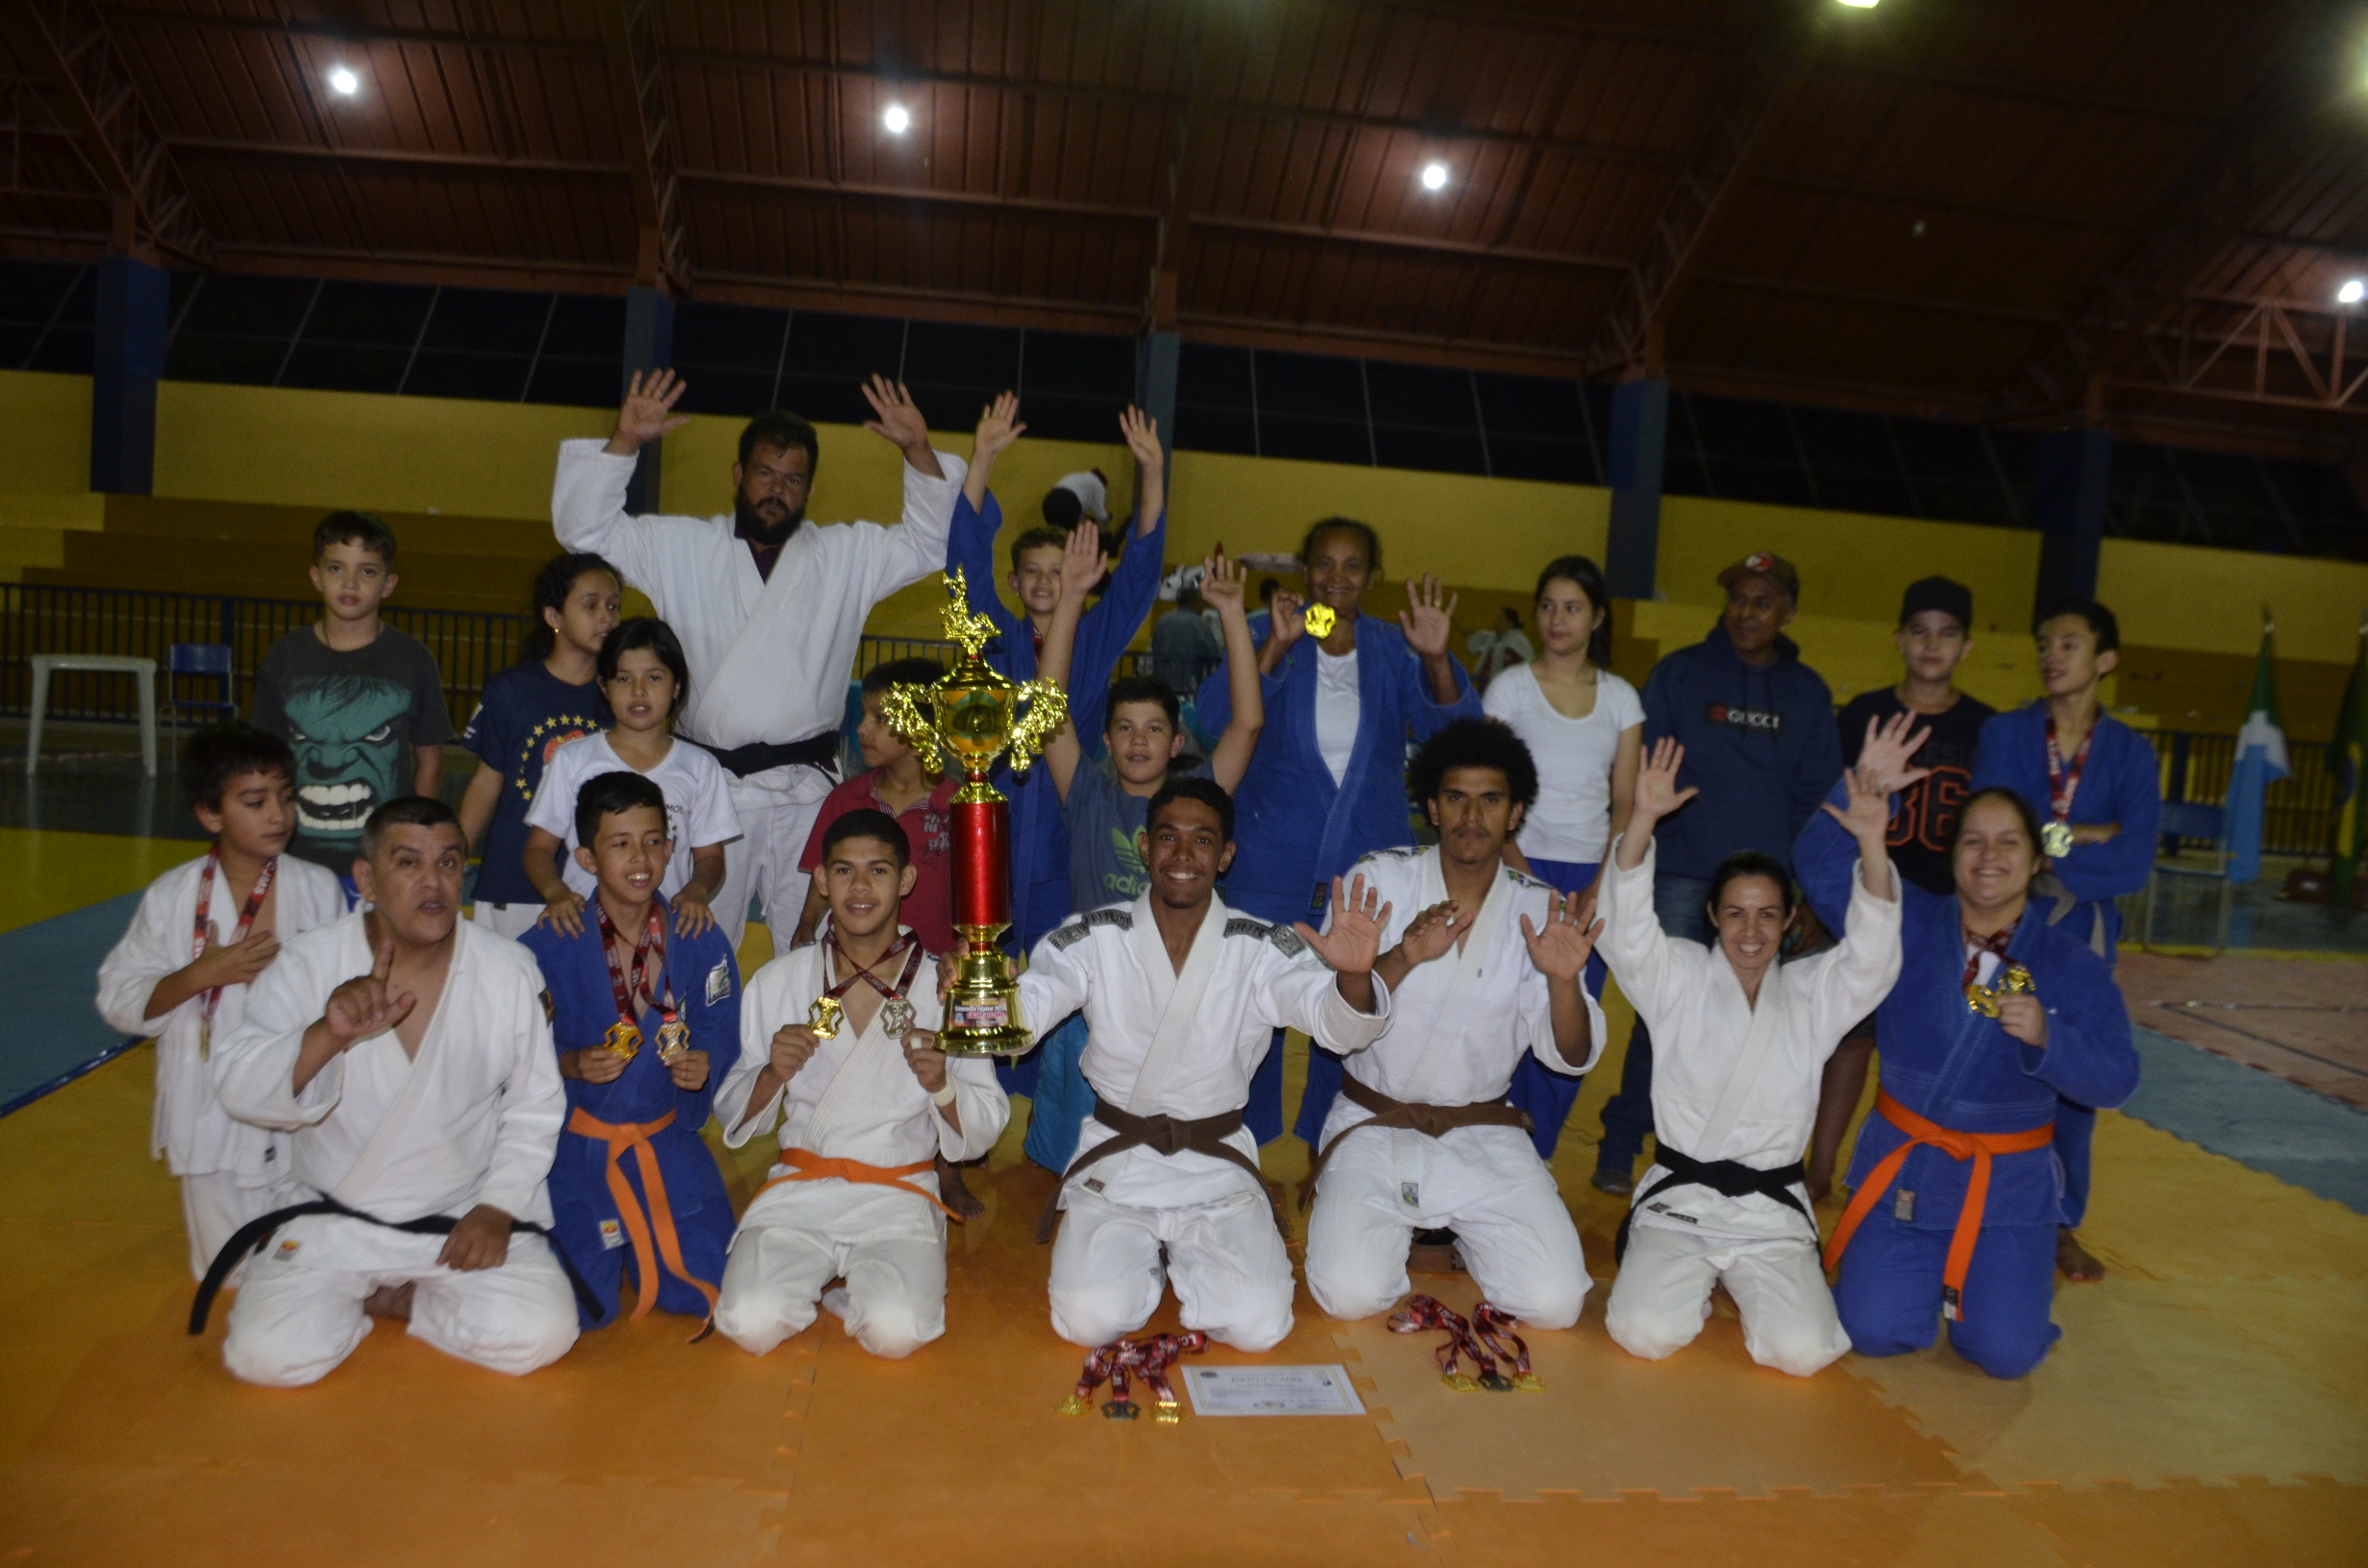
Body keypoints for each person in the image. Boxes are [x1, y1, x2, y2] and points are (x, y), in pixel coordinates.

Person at [552, 370, 968, 949]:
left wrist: (917, 450)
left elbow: (934, 543)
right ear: (738, 475)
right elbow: (583, 529)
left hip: (808, 790)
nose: (778, 490)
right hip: (708, 783)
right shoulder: (682, 547)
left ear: (811, 490)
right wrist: (624, 443)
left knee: (820, 943)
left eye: (793, 479)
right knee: (697, 940)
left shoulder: (848, 555)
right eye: (766, 474)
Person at [1800, 726, 2140, 1379]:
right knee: (1869, 1330)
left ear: (2039, 860)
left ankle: (2003, 1294)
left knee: (2005, 1354)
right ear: (1952, 855)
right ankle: (1923, 1287)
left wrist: (2049, 1038)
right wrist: (1864, 791)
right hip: (1908, 1174)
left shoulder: (2068, 964)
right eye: (1973, 842)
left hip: (2006, 1192)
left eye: (2009, 843)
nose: (1989, 857)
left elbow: (2119, 1077)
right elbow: (1818, 872)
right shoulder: (1908, 923)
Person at [209, 797, 578, 1386]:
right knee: (264, 1356)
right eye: (408, 864)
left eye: (450, 864)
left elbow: (534, 1107)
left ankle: (410, 1301)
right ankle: (362, 1295)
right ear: (367, 879)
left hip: (458, 1215)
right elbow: (236, 1086)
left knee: (542, 1333)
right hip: (335, 1218)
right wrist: (326, 1036)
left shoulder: (508, 970)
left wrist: (498, 1206)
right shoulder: (309, 962)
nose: (433, 884)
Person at [1016, 780, 1392, 1352]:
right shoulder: (1093, 936)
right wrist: (975, 995)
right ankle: (1146, 1259)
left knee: (1259, 1327)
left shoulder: (1262, 946)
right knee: (1088, 1321)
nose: (1183, 856)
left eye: (1202, 841)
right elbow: (1025, 1012)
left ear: (1226, 854)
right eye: (1168, 838)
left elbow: (1339, 1029)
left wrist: (1354, 975)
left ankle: (1182, 1255)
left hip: (1214, 1165)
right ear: (1145, 848)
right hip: (1120, 1160)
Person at [1596, 733, 1902, 1377]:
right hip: (1681, 1203)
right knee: (1643, 1333)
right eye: (1735, 914)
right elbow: (1625, 932)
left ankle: (1736, 1282)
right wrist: (1642, 820)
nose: (1752, 931)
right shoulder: (1675, 977)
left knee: (1805, 1352)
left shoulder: (1813, 992)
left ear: (1790, 920)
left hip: (1770, 1212)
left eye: (1767, 914)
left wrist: (1871, 843)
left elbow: (1872, 961)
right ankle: (1683, 1276)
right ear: (1711, 916)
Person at [1302, 719, 1607, 1330]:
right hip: (1374, 1124)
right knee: (1350, 1294)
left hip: (1481, 1131)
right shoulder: (1380, 881)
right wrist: (1405, 956)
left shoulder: (1538, 908)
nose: (1472, 816)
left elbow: (1569, 1056)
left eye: (1490, 799)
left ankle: (1461, 1232)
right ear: (1432, 808)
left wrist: (1563, 980)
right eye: (1455, 798)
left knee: (1555, 1304)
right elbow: (1337, 1029)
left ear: (1516, 812)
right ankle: (1406, 1227)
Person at [1197, 518, 1478, 1147]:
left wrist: (1436, 657)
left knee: (1355, 1008)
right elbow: (1216, 718)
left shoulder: (1395, 646)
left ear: (1372, 579)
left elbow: (1457, 737)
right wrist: (1272, 644)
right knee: (1253, 1009)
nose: (1337, 578)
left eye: (1353, 567)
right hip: (1270, 861)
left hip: (1364, 865)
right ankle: (1247, 1145)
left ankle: (1337, 1150)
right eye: (1324, 564)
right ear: (1304, 570)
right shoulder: (1270, 632)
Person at [712, 810, 1008, 1360]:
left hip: (898, 1192)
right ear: (822, 881)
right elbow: (732, 1108)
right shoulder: (779, 980)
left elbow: (987, 1121)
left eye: (878, 871)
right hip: (804, 1187)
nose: (860, 888)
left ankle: (861, 1289)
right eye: (844, 872)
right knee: (748, 1324)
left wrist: (943, 1086)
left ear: (907, 881)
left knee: (897, 1335)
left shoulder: (947, 986)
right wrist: (771, 1074)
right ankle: (833, 1277)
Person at [1592, 551, 1841, 1197]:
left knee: (1760, 1024)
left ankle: (1732, 1152)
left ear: (1788, 610)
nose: (1747, 612)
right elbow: (1649, 778)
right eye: (1738, 599)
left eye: (1763, 601)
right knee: (1659, 1019)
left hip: (1764, 894)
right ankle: (1623, 1144)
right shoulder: (1679, 674)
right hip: (1682, 875)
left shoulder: (1808, 693)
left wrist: (1804, 895)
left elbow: (1816, 801)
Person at [1022, 533, 1266, 1176]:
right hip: (1089, 998)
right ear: (1105, 738)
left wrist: (1233, 614)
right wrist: (1071, 597)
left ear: (1176, 739)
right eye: (1125, 728)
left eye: (1154, 728)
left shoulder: (1197, 801)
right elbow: (1048, 714)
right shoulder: (1090, 791)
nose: (1138, 741)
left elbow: (1247, 725)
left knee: (1159, 1153)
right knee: (1067, 1157)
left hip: (1171, 994)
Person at [97, 725, 348, 1280]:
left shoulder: (317, 887)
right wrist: (200, 974)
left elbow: (345, 989)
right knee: (228, 1275)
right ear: (210, 815)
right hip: (206, 1110)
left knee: (304, 1268)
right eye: (255, 803)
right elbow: (120, 996)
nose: (278, 815)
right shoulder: (173, 895)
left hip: (298, 1106)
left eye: (286, 798)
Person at [1968, 597, 2160, 1284]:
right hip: (2005, 925)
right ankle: (1972, 1199)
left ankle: (2058, 1225)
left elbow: (2134, 861)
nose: (2052, 654)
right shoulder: (2006, 733)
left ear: (2105, 661)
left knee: (2074, 1079)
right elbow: (1998, 833)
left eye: (2070, 644)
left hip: (2083, 935)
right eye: (2045, 643)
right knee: (1992, 1054)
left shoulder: (2132, 755)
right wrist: (2086, 834)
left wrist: (2051, 841)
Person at [943, 402, 1168, 971]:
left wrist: (1153, 475)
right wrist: (983, 458)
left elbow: (1140, 576)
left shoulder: (1093, 637)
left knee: (1059, 980)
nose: (1048, 582)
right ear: (1015, 582)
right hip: (996, 823)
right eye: (1034, 572)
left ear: (1081, 575)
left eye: (1058, 570)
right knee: (985, 972)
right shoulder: (992, 637)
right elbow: (964, 567)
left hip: (1070, 835)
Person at [521, 772, 737, 1329]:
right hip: (577, 1150)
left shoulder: (699, 936)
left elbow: (720, 1025)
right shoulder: (550, 941)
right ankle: (603, 1241)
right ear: (587, 858)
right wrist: (568, 1062)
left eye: (653, 840)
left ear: (670, 847)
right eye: (619, 844)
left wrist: (703, 1067)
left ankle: (636, 1239)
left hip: (663, 1137)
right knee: (578, 1308)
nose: (640, 858)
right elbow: (510, 1045)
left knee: (704, 1290)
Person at [1808, 576, 1994, 1200]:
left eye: (1946, 635)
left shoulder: (1985, 728)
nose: (1932, 646)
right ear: (1899, 640)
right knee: (1850, 1038)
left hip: (1946, 911)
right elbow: (1828, 810)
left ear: (1966, 647)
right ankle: (1820, 1167)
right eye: (1919, 632)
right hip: (1865, 894)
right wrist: (1816, 902)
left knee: (1929, 1041)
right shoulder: (1864, 714)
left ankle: (1916, 1169)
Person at [1481, 553, 1641, 1156]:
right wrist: (1516, 865)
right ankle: (1481, 1144)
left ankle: (1529, 1159)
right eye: (1547, 606)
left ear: (1597, 617)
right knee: (1497, 1012)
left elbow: (1623, 802)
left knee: (1568, 1022)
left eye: (1572, 607)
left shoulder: (1623, 699)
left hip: (1588, 882)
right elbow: (1488, 784)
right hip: (1514, 866)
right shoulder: (1511, 688)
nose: (1557, 619)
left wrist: (1601, 886)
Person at [251, 511, 455, 875]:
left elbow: (430, 760)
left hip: (384, 861)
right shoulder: (285, 657)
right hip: (296, 859)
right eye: (335, 569)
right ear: (315, 576)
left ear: (388, 584)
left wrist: (416, 839)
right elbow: (264, 764)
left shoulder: (412, 659)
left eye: (367, 571)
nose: (349, 583)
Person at [521, 618, 739, 939]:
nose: (638, 692)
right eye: (624, 679)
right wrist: (557, 894)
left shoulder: (700, 767)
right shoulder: (573, 759)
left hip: (665, 931)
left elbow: (710, 857)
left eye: (654, 678)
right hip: (585, 928)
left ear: (676, 687)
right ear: (604, 686)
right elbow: (538, 850)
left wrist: (696, 890)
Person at [456, 552, 621, 938]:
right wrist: (449, 857)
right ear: (554, 617)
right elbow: (486, 784)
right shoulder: (511, 692)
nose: (607, 618)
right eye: (591, 605)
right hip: (513, 883)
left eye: (613, 606)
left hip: (597, 887)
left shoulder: (622, 696)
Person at [791, 658, 957, 954]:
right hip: (848, 963)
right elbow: (823, 874)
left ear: (923, 727)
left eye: (880, 718)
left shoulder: (959, 806)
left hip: (932, 968)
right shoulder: (845, 799)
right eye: (864, 714)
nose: (862, 728)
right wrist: (806, 924)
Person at [1150, 585, 1223, 695]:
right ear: (1194, 603)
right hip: (1189, 684)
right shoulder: (1200, 624)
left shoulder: (1162, 620)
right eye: (1202, 603)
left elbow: (1154, 646)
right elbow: (1213, 653)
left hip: (1162, 681)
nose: (1203, 607)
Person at [1468, 606, 1535, 688]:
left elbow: (1527, 664)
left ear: (1510, 623)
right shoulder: (1493, 638)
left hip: (1511, 688)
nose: (1496, 621)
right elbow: (1473, 634)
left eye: (1500, 619)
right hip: (1488, 685)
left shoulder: (1519, 641)